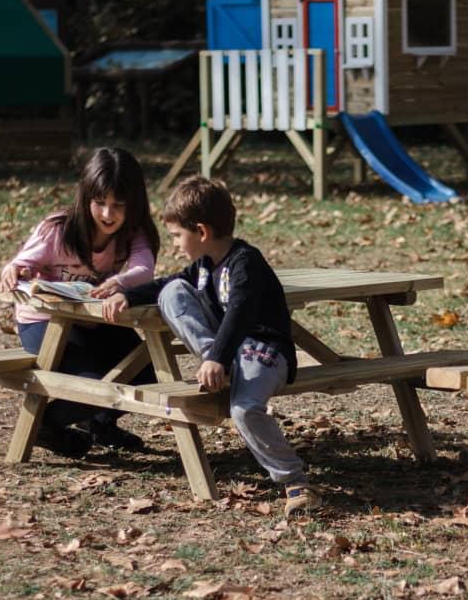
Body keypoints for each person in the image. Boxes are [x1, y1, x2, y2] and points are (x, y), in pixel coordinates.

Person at [101, 175, 319, 516]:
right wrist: (125, 294)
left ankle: (295, 482)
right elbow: (170, 281)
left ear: (201, 232)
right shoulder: (204, 266)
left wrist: (219, 356)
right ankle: (217, 363)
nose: (173, 243)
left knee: (244, 409)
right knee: (171, 292)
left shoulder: (246, 263)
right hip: (226, 351)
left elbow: (241, 312)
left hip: (263, 351)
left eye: (176, 235)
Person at [0, 147, 160, 458]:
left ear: (134, 205)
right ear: (85, 198)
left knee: (144, 373)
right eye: (100, 203)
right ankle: (43, 424)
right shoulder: (59, 229)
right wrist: (14, 268)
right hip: (44, 322)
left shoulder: (132, 233)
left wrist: (119, 282)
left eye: (118, 205)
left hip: (93, 319)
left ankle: (98, 424)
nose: (107, 214)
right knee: (96, 384)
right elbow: (20, 263)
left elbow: (144, 270)